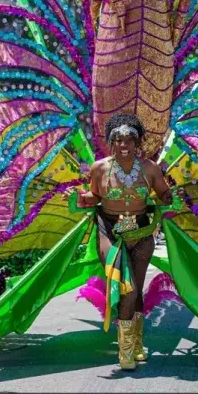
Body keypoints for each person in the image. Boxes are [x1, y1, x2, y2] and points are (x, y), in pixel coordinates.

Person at [71, 113, 175, 371]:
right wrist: (83, 199)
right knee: (125, 285)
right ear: (111, 142)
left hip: (141, 231)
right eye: (118, 140)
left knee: (137, 288)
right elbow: (95, 196)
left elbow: (163, 193)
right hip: (110, 232)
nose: (124, 144)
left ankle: (136, 344)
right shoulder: (100, 169)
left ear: (138, 141)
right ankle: (125, 352)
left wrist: (168, 194)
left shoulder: (149, 168)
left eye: (130, 139)